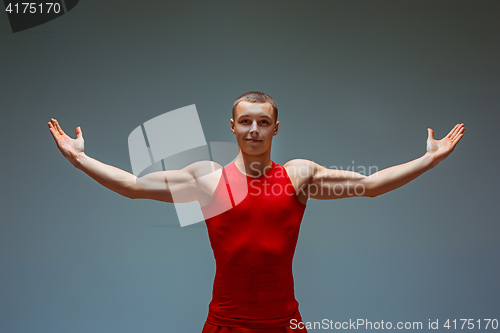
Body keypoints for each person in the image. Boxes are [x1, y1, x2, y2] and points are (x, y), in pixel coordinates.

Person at [48, 91, 465, 333]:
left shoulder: (299, 176)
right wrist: (80, 159)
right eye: (245, 121)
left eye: (262, 122)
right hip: (226, 323)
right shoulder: (208, 179)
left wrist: (428, 160)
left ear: (275, 128)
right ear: (232, 127)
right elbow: (133, 187)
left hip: (286, 322)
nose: (253, 130)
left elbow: (369, 186)